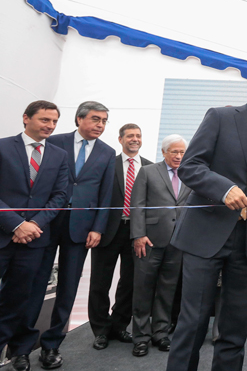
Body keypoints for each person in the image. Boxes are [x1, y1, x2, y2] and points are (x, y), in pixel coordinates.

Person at [166, 66, 247, 371]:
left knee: (235, 326)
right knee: (193, 321)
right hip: (205, 236)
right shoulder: (220, 117)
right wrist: (224, 189)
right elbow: (191, 167)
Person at [11, 101, 115, 370]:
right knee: (34, 286)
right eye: (95, 119)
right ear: (79, 119)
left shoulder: (107, 152)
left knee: (68, 288)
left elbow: (106, 195)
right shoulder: (54, 140)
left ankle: (52, 345)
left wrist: (98, 228)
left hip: (82, 226)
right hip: (45, 221)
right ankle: (21, 348)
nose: (100, 125)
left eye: (104, 121)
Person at [0, 101, 69, 371]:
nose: (50, 126)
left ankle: (17, 351)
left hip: (34, 240)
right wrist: (16, 224)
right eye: (44, 120)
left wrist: (33, 225)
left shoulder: (58, 155)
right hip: (3, 234)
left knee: (18, 300)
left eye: (54, 121)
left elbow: (60, 196)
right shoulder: (3, 146)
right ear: (26, 118)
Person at [88, 123, 152, 350]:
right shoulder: (108, 164)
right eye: (130, 136)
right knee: (99, 282)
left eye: (138, 135)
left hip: (136, 233)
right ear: (120, 139)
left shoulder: (150, 167)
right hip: (107, 230)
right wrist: (94, 227)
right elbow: (95, 197)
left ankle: (118, 325)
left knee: (130, 282)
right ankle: (101, 330)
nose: (135, 139)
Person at [130, 134, 191, 357]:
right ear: (164, 152)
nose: (178, 156)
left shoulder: (189, 173)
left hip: (178, 242)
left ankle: (160, 333)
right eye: (174, 151)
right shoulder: (147, 171)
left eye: (182, 152)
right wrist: (138, 235)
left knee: (168, 289)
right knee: (143, 289)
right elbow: (137, 205)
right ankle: (141, 337)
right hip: (149, 241)